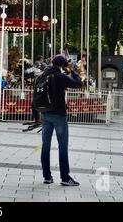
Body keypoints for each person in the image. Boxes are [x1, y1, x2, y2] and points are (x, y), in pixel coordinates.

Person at [37, 54, 82, 186]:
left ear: (51, 62)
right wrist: (72, 70)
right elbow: (78, 84)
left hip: (45, 114)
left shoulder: (42, 75)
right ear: (63, 65)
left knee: (45, 146)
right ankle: (65, 177)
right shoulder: (60, 76)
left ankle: (47, 176)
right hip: (59, 115)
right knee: (62, 146)